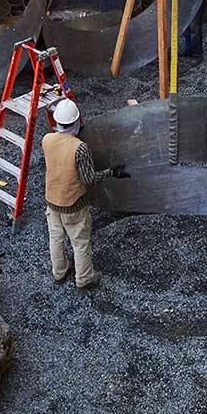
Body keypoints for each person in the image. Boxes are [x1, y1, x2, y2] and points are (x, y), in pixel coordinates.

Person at [43, 97, 128, 290]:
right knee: (80, 242)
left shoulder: (47, 139)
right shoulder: (79, 148)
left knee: (56, 238)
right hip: (74, 205)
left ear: (57, 121)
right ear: (77, 122)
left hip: (52, 201)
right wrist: (112, 172)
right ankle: (84, 279)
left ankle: (59, 272)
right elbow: (89, 179)